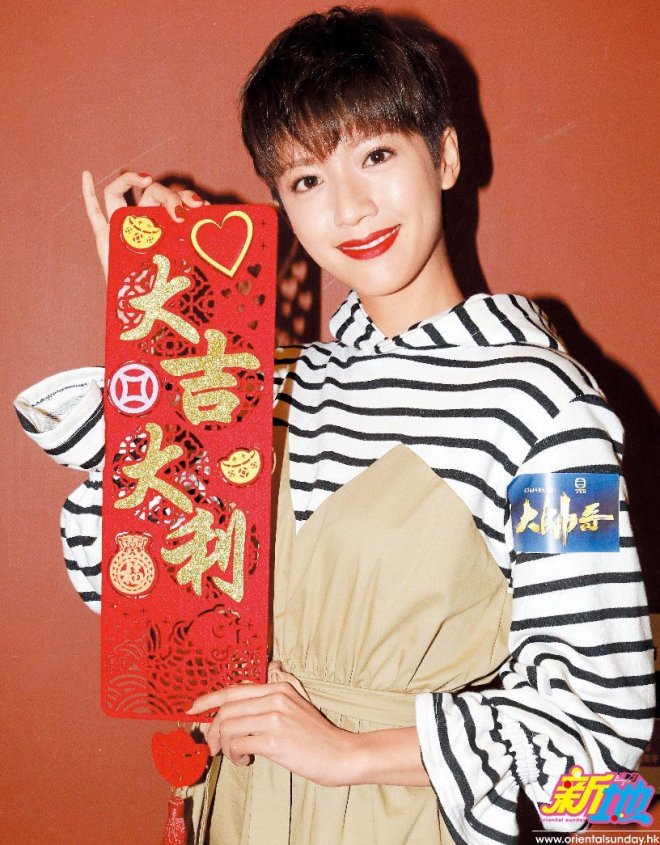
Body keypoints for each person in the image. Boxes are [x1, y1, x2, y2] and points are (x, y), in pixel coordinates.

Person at [14, 7, 655, 844]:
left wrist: (349, 750)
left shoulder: (544, 408)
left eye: (377, 156)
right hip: (240, 816)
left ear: (446, 156)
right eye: (307, 180)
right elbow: (138, 593)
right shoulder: (267, 386)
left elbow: (598, 746)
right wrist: (176, 333)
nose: (350, 208)